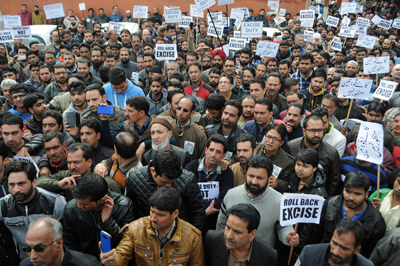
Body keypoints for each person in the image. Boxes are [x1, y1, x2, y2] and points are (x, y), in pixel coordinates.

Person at [100, 186, 205, 265]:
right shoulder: (135, 229)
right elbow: (121, 256)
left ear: (175, 213)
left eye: (160, 215)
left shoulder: (193, 237)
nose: (153, 218)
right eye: (152, 211)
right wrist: (112, 261)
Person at [217, 155, 299, 248]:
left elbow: (283, 226)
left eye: (260, 178)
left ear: (269, 178)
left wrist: (288, 236)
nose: (254, 182)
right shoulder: (231, 195)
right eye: (251, 176)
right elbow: (221, 225)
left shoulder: (279, 200)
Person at [300, 171, 386, 257]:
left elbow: (370, 253)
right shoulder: (329, 205)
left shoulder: (376, 221)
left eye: (357, 194)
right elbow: (314, 233)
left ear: (366, 194)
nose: (351, 198)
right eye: (348, 191)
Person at [0, 160, 65, 261]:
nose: (16, 189)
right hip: (22, 261)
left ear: (34, 182)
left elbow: (66, 237)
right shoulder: (3, 205)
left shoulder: (54, 202)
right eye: (11, 184)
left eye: (21, 183)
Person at [126, 149, 205, 231]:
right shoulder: (135, 178)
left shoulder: (188, 179)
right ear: (153, 171)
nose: (169, 186)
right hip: (145, 233)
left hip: (179, 233)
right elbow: (130, 211)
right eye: (164, 182)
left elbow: (198, 211)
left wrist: (192, 235)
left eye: (173, 182)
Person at [63, 173, 135, 257]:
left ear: (101, 200)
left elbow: (127, 244)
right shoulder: (71, 209)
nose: (78, 206)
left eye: (84, 204)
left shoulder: (124, 206)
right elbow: (71, 245)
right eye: (77, 201)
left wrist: (108, 222)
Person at [36, 143, 119, 201]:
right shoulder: (67, 175)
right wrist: (58, 184)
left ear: (89, 162)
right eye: (69, 162)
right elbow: (38, 182)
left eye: (76, 162)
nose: (72, 167)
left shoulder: (107, 183)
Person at [185, 134, 233, 232]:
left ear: (224, 155)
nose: (213, 154)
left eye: (218, 152)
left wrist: (199, 205)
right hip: (190, 220)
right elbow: (185, 195)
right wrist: (203, 210)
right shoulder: (191, 167)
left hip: (214, 224)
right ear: (206, 150)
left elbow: (224, 199)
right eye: (211, 150)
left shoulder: (227, 173)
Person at [285, 115, 341, 196]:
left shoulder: (331, 153)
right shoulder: (290, 147)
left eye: (320, 130)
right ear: (304, 131)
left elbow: (333, 182)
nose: (317, 134)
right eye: (313, 130)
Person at [205, 203, 278, 266]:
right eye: (228, 227)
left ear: (252, 234)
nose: (229, 235)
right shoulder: (212, 240)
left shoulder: (268, 255)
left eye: (237, 232)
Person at [19, 217, 99, 266]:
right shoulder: (25, 264)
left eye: (39, 248)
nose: (32, 257)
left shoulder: (86, 264)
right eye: (28, 249)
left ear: (59, 243)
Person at [296, 218, 374, 266]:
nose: (336, 252)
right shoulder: (309, 254)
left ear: (357, 250)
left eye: (344, 248)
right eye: (334, 243)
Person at [255, 123, 295, 193]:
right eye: (268, 137)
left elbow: (287, 184)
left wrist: (277, 183)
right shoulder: (255, 149)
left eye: (275, 139)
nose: (270, 141)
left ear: (281, 143)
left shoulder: (288, 162)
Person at [172, 96, 207, 161]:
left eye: (185, 110)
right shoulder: (167, 128)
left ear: (192, 113)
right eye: (179, 108)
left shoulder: (199, 134)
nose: (180, 113)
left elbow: (202, 159)